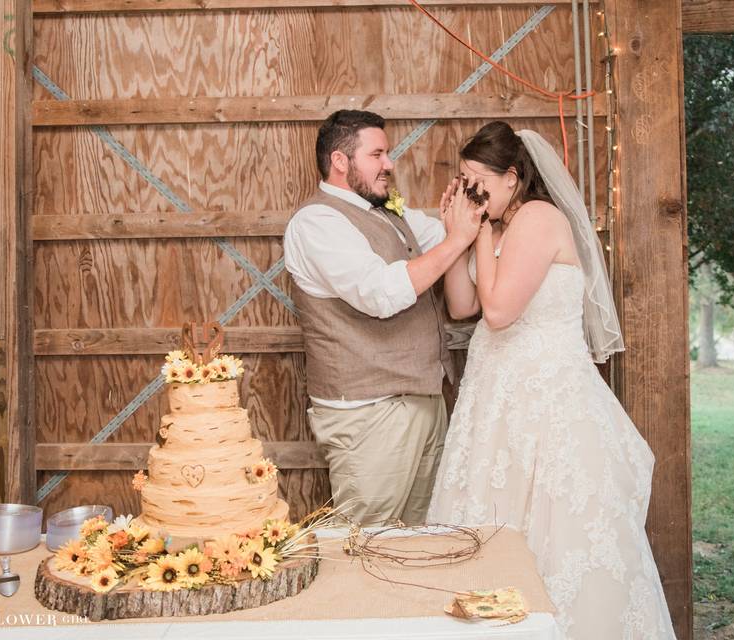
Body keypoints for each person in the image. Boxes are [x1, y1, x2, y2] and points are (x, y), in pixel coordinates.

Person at [427, 121, 676, 639]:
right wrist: (458, 237)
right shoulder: (495, 224)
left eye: (479, 182)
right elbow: (462, 305)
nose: (471, 192)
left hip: (546, 403)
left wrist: (482, 232)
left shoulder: (537, 219)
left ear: (513, 177)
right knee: (489, 525)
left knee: (557, 535)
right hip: (496, 399)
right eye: (464, 181)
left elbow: (497, 312)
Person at [283, 109, 482, 525]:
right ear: (341, 161)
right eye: (377, 154)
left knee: (419, 538)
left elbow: (443, 239)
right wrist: (459, 236)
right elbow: (380, 294)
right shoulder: (317, 222)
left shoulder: (389, 212)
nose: (389, 164)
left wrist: (476, 213)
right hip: (369, 412)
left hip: (423, 400)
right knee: (365, 542)